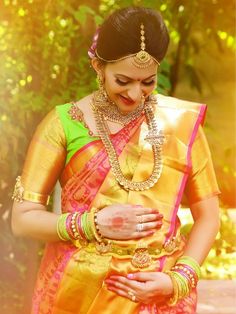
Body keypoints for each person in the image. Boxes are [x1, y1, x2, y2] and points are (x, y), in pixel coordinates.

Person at [11, 6, 220, 314]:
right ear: (98, 66)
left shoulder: (181, 125)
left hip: (161, 291)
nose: (136, 94)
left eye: (148, 82)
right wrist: (91, 223)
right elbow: (23, 219)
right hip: (79, 293)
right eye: (123, 80)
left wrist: (180, 278)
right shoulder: (64, 124)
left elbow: (208, 216)